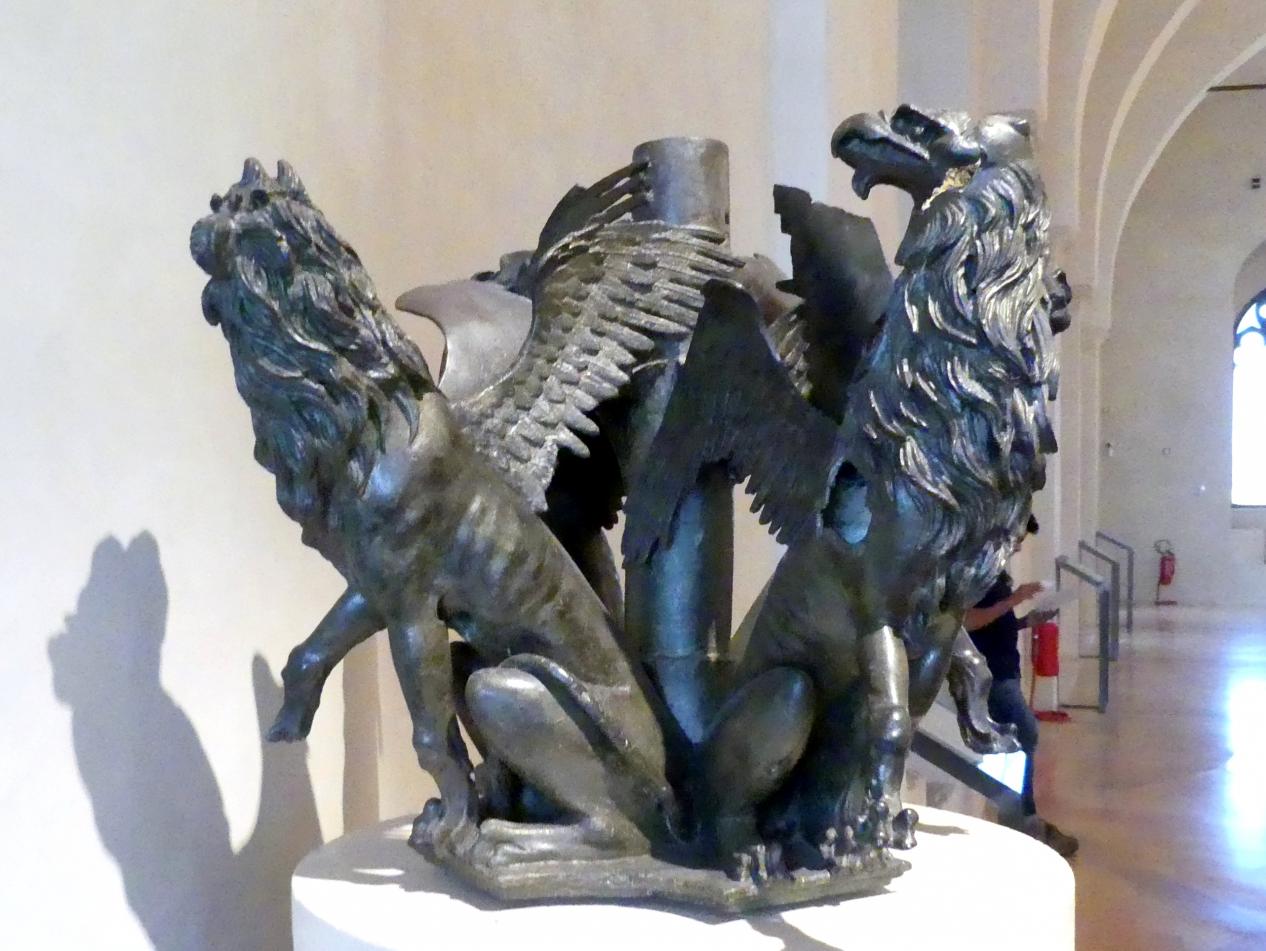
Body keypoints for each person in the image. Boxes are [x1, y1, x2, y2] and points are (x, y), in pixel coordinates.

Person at [965, 514, 1079, 857]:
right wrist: (1015, 599)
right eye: (1015, 539)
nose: (1017, 547)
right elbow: (969, 621)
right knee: (1024, 732)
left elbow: (995, 623)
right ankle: (1023, 819)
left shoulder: (995, 570)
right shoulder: (975, 570)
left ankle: (1019, 817)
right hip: (992, 674)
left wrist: (1027, 620)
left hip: (1005, 669)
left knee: (1018, 740)